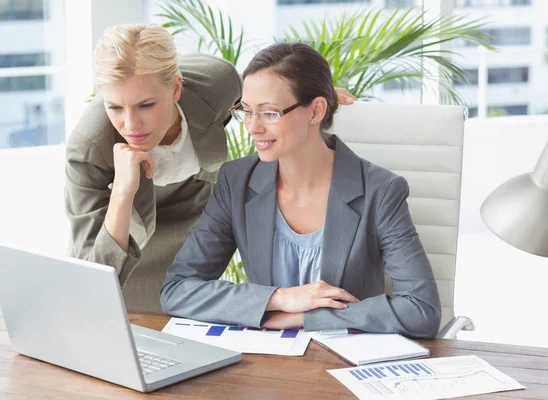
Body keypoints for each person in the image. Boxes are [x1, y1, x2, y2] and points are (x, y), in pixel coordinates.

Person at [160, 42, 441, 338]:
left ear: (316, 110)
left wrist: (306, 318)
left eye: (268, 113)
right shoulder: (236, 181)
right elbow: (178, 289)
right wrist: (279, 299)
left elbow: (422, 311)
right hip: (268, 365)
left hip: (343, 362)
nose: (252, 127)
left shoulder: (380, 191)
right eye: (246, 111)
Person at [64, 24, 242, 312]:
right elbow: (93, 273)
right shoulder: (88, 149)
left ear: (175, 88)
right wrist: (122, 191)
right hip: (126, 249)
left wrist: (308, 102)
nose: (130, 125)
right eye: (115, 108)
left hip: (194, 237)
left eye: (145, 105)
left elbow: (265, 100)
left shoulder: (218, 85)